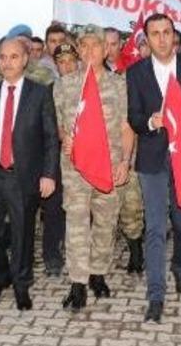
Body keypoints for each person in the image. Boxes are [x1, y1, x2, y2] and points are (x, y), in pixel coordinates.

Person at [126, 13, 181, 323]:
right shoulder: (136, 73)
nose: (162, 39)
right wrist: (150, 121)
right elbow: (133, 116)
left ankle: (180, 266)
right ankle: (156, 294)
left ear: (174, 35)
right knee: (154, 227)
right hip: (152, 159)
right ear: (146, 39)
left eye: (167, 32)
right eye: (155, 33)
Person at [54, 25, 133, 311]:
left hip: (111, 165)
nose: (89, 52)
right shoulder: (64, 84)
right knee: (76, 224)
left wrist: (125, 160)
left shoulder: (119, 84)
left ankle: (98, 273)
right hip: (75, 168)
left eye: (95, 46)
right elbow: (62, 125)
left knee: (105, 222)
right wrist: (66, 138)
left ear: (105, 49)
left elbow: (126, 126)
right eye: (83, 46)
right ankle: (77, 282)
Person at [0, 37, 59, 310]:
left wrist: (49, 174)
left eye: (14, 56)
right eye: (3, 57)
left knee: (23, 233)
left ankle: (22, 284)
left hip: (24, 176)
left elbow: (50, 138)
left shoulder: (40, 93)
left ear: (25, 60)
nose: (7, 62)